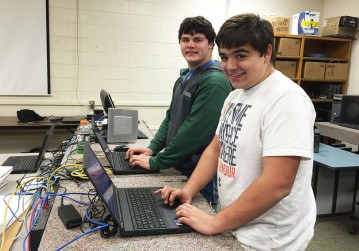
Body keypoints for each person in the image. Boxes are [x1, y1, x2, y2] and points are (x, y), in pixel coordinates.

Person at [156, 13, 317, 250]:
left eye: (241, 55)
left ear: (267, 53)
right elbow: (215, 148)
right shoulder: (236, 95)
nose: (230, 66)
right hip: (237, 223)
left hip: (270, 238)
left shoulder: (286, 99)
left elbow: (278, 183)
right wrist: (187, 190)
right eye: (224, 57)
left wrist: (215, 222)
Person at [125, 16, 232, 207]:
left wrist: (156, 162)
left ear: (211, 44)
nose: (190, 45)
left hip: (200, 176)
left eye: (197, 39)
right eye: (185, 40)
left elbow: (193, 133)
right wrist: (152, 149)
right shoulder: (185, 77)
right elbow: (170, 118)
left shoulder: (213, 82)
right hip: (180, 167)